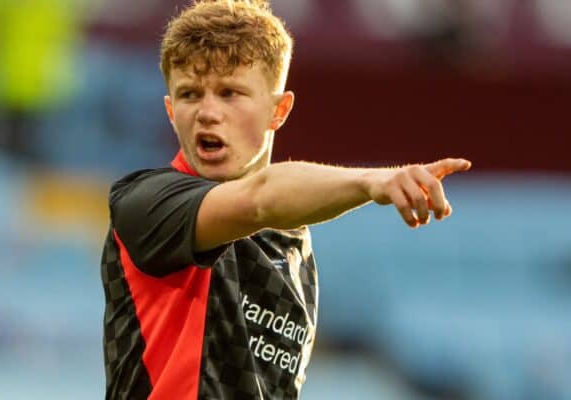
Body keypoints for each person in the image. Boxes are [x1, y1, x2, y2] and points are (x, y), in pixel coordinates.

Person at [100, 0, 472, 399]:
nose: (207, 113)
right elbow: (260, 198)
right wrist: (371, 180)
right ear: (171, 112)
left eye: (230, 93)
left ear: (279, 110)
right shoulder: (146, 203)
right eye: (190, 95)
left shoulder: (293, 242)